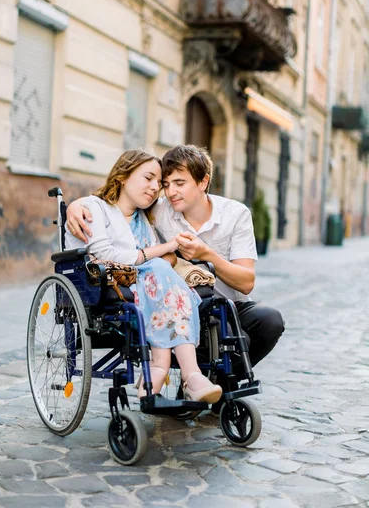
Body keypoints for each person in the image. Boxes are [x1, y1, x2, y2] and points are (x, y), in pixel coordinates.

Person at [67, 144, 284, 413]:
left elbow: (246, 282)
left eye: (178, 183)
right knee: (224, 331)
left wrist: (207, 254)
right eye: (165, 184)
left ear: (203, 182)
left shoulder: (234, 214)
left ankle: (218, 384)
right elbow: (114, 205)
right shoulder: (156, 209)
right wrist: (75, 206)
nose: (168, 192)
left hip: (226, 302)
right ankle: (194, 379)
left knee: (266, 322)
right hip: (179, 301)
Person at [65, 148, 222, 404]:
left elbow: (156, 260)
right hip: (109, 287)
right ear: (123, 175)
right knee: (161, 273)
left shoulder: (144, 219)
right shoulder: (95, 208)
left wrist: (162, 255)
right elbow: (109, 256)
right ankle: (186, 374)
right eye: (147, 178)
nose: (154, 188)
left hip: (151, 290)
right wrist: (166, 248)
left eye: (158, 184)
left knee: (165, 276)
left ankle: (168, 373)